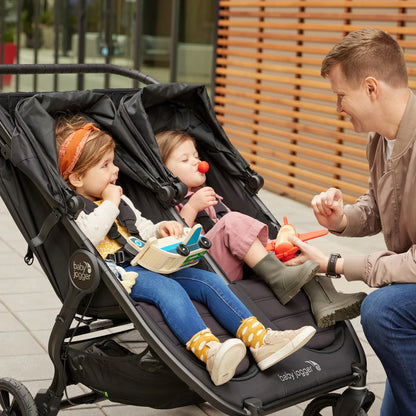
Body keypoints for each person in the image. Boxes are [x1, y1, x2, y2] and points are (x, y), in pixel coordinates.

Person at [55, 113, 316, 387]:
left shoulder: (121, 199)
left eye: (113, 162)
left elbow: (141, 228)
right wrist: (109, 203)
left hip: (148, 261)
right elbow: (89, 236)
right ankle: (209, 352)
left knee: (208, 280)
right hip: (119, 276)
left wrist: (161, 229)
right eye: (105, 165)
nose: (115, 170)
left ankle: (260, 340)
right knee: (170, 290)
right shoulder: (77, 210)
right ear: (77, 178)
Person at [284, 27, 416, 416]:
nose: (338, 108)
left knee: (384, 310)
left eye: (341, 96)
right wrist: (342, 218)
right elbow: (380, 204)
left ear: (371, 88)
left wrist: (334, 263)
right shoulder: (380, 139)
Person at [155, 130, 366, 328]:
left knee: (289, 246)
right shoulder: (175, 205)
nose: (196, 162)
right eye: (185, 160)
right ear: (165, 171)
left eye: (196, 156)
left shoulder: (211, 196)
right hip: (207, 267)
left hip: (236, 262)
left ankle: (325, 298)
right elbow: (179, 240)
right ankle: (280, 278)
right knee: (231, 221)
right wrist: (192, 207)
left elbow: (238, 237)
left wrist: (273, 245)